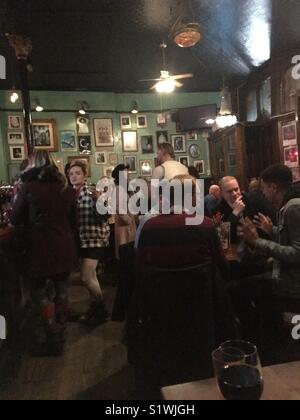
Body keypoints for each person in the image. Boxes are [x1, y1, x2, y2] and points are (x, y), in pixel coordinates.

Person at [11, 150, 78, 356]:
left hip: (39, 246)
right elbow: (72, 219)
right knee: (62, 290)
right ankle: (61, 330)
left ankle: (52, 333)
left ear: (34, 164)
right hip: (63, 243)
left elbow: (15, 217)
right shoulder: (65, 187)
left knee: (40, 293)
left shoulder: (29, 186)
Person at [69, 160, 110, 326]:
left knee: (86, 277)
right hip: (81, 240)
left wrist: (100, 201)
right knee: (91, 277)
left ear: (85, 175)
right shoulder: (70, 194)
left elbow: (106, 215)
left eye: (77, 173)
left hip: (95, 239)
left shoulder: (92, 192)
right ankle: (96, 311)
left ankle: (101, 307)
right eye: (71, 173)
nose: (74, 176)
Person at [111, 164, 137, 260]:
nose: (128, 176)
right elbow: (119, 208)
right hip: (124, 227)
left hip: (127, 226)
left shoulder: (125, 189)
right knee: (124, 251)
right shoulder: (119, 189)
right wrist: (129, 220)